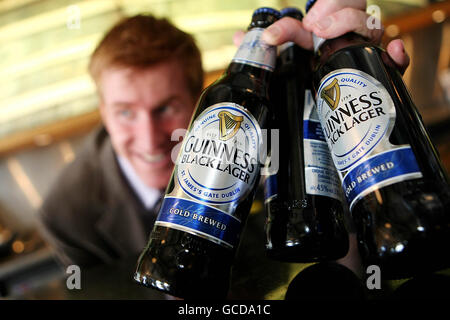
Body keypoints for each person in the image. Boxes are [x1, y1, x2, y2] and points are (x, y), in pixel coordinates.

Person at [38, 0, 410, 276]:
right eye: (124, 112)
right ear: (102, 110)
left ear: (201, 99)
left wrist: (338, 123)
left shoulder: (263, 135)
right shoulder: (66, 214)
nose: (149, 137)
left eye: (166, 108)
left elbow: (341, 265)